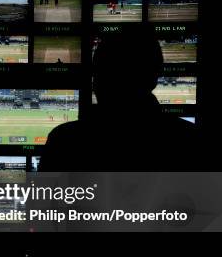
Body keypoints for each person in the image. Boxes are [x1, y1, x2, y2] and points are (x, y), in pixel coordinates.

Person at [39, 27, 200, 172]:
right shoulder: (190, 141)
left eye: (99, 74)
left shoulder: (65, 141)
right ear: (156, 76)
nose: (95, 83)